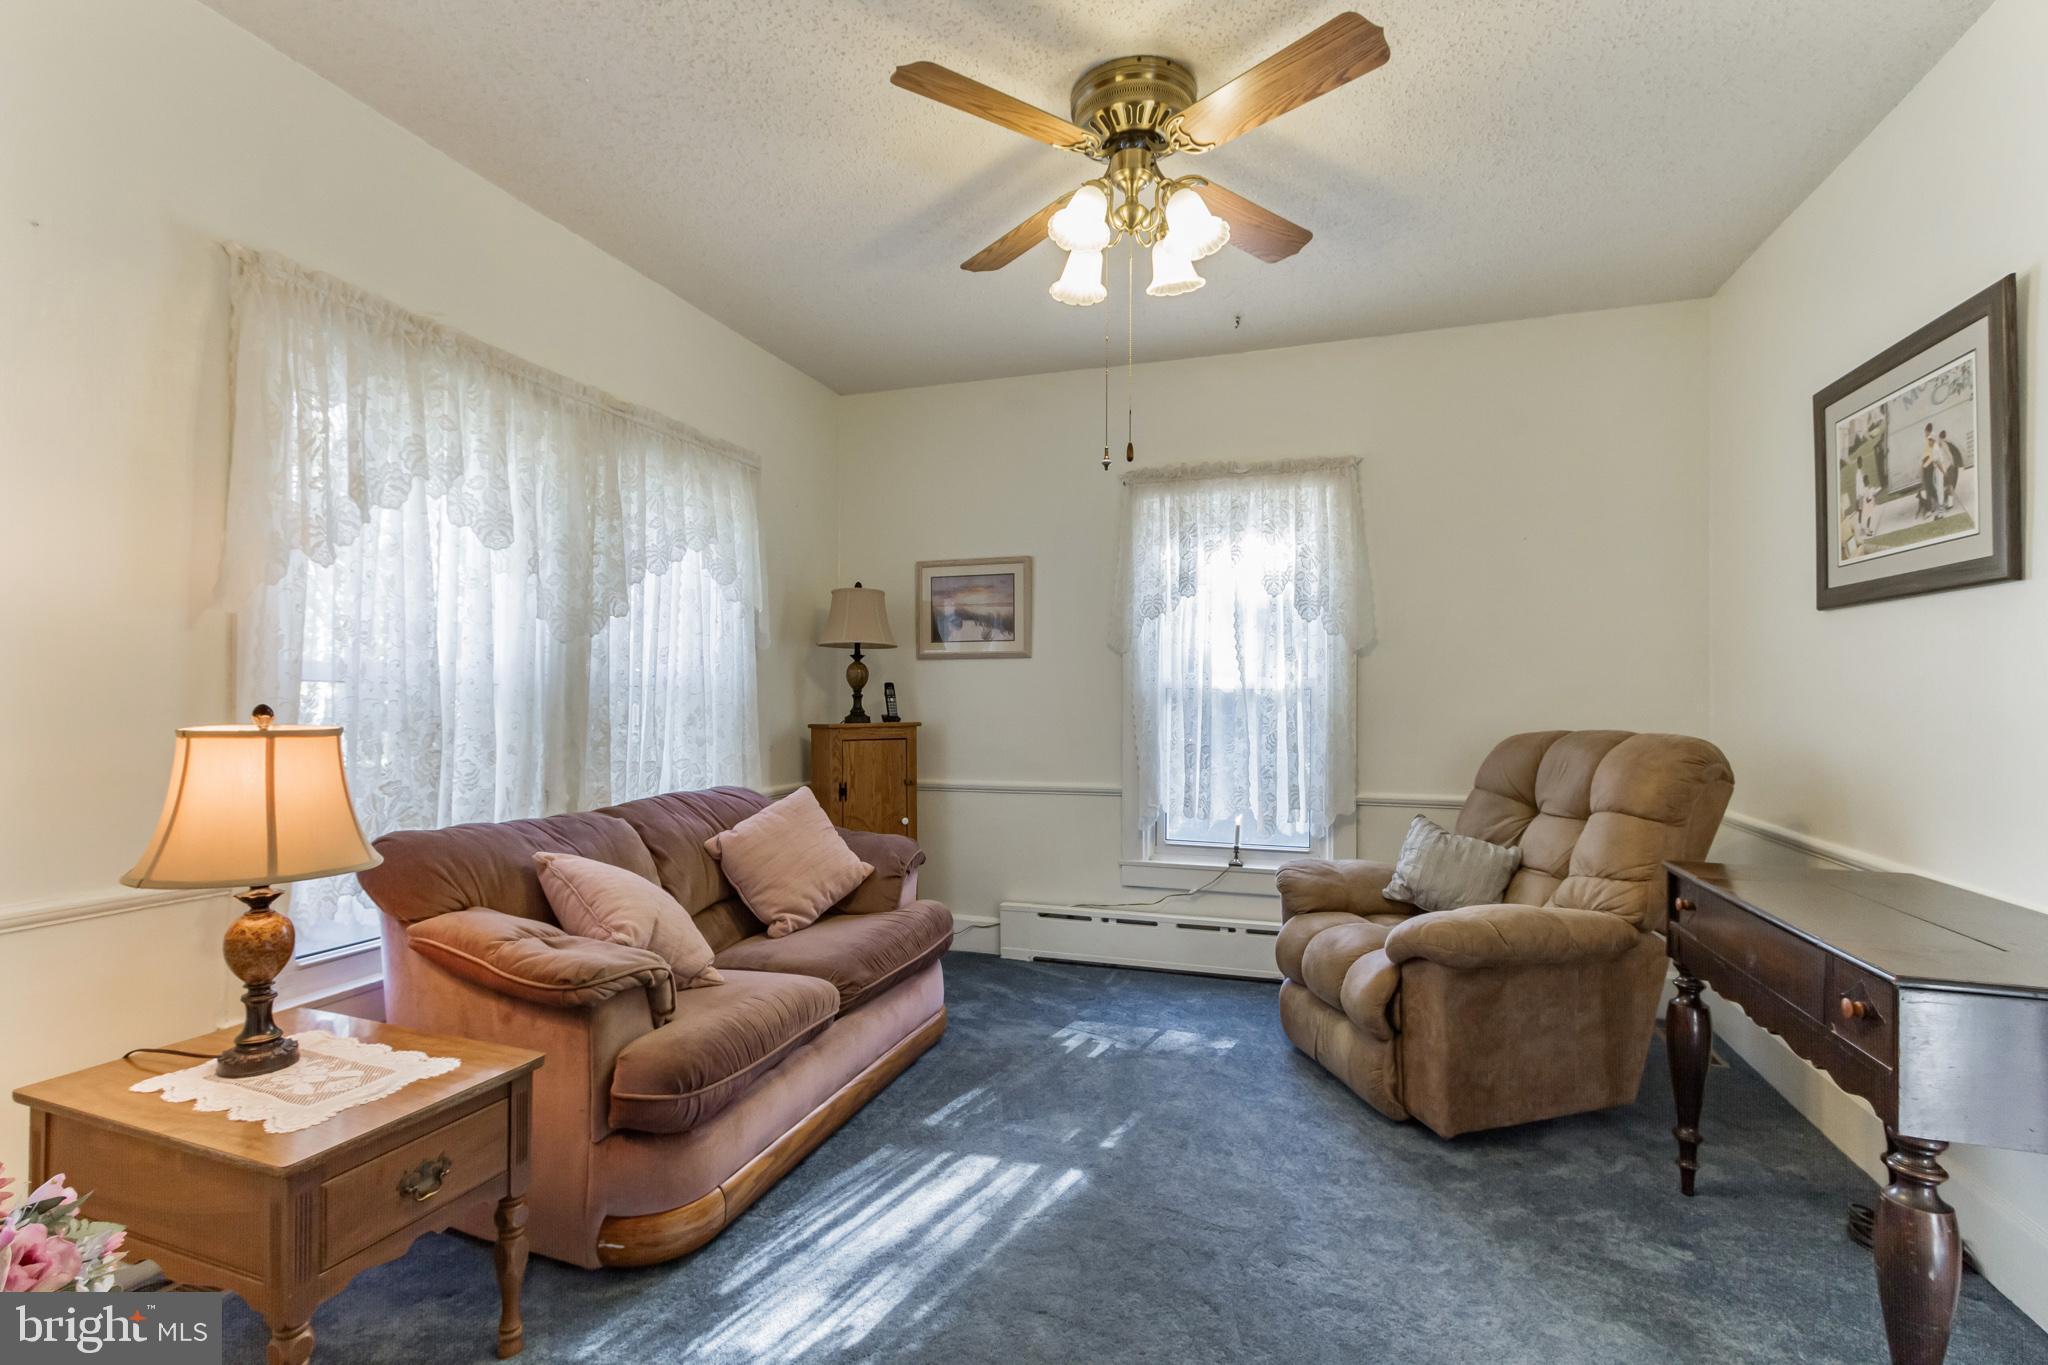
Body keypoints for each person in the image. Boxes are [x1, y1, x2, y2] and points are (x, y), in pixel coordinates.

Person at [1939, 430, 1966, 511]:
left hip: (1949, 468)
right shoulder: (1946, 443)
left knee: (1949, 485)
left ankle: (1950, 503)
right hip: (1949, 467)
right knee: (1948, 485)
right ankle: (1948, 501)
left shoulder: (1943, 444)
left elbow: (1949, 456)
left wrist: (1951, 465)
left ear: (1940, 437)